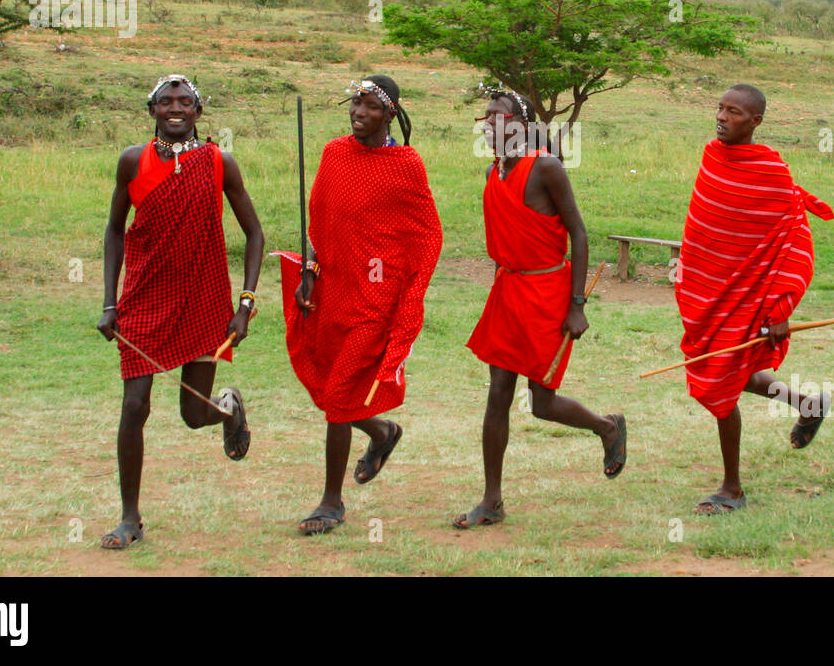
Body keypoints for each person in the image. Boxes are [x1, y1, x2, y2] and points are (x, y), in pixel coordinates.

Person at [96, 74, 264, 549]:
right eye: (166, 102)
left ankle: (226, 411)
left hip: (205, 300)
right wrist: (110, 303)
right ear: (152, 110)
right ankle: (130, 518)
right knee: (135, 406)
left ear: (198, 112)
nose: (176, 108)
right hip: (145, 300)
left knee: (193, 415)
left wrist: (244, 304)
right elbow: (113, 231)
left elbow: (255, 234)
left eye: (185, 102)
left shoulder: (218, 163)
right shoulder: (133, 161)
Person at [453, 89, 626, 529]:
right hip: (509, 293)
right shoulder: (495, 171)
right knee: (498, 394)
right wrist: (500, 291)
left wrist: (577, 305)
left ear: (523, 125)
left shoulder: (545, 167)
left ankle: (607, 427)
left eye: (499, 117)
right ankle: (492, 500)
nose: (489, 124)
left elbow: (580, 235)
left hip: (548, 293)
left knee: (542, 404)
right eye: (486, 117)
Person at [279, 75, 442, 535]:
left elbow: (427, 231)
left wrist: (405, 290)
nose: (358, 112)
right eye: (355, 103)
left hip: (376, 298)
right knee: (336, 389)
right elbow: (320, 225)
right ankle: (381, 432)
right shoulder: (334, 154)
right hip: (335, 291)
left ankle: (331, 502)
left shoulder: (406, 164)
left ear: (390, 114)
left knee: (337, 396)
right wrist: (309, 272)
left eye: (370, 106)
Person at [674, 84, 834, 515]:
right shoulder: (712, 157)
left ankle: (732, 488)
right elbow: (705, 230)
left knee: (723, 381)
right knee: (735, 373)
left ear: (756, 121)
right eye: (720, 109)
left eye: (734, 112)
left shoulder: (770, 172)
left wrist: (781, 309)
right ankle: (807, 404)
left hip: (752, 299)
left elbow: (795, 244)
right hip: (709, 294)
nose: (722, 118)